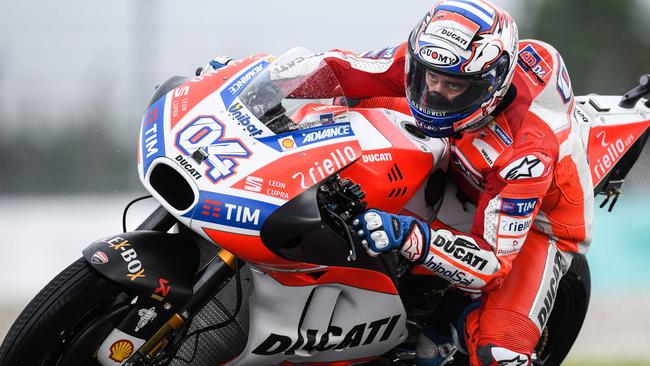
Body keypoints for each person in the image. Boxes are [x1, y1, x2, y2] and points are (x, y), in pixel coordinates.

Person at [201, 1, 593, 364]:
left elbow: (491, 263)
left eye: (452, 85)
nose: (434, 92)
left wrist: (407, 235)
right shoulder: (439, 64)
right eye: (428, 78)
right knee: (343, 107)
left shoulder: (528, 151)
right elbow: (339, 68)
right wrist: (252, 85)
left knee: (500, 352)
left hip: (536, 224)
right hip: (457, 150)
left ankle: (445, 332)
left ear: (490, 85)